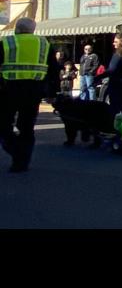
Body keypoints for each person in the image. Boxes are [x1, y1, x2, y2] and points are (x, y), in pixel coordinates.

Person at [0, 16, 60, 173]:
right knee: (26, 128)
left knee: (4, 126)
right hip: (34, 91)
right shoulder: (44, 44)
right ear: (33, 30)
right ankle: (22, 161)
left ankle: (16, 153)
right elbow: (54, 70)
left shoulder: (7, 42)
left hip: (8, 90)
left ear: (16, 28)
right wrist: (53, 92)